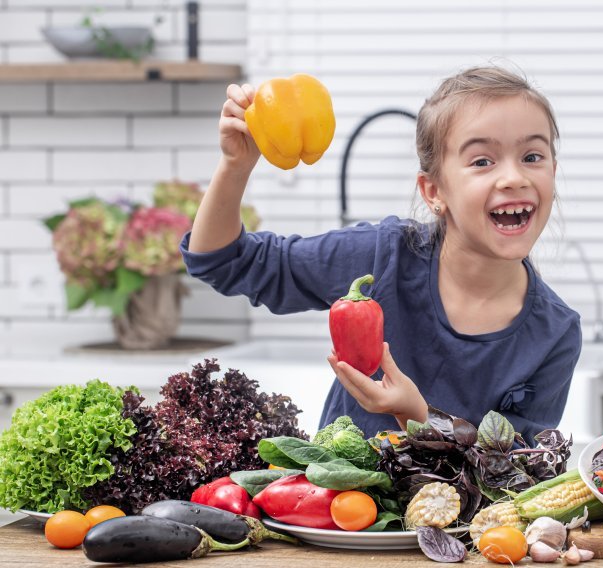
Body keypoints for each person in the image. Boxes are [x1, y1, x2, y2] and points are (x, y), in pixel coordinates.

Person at [180, 65, 581, 446]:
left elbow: (518, 474)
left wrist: (417, 416)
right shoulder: (382, 257)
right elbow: (221, 260)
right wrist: (236, 165)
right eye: (482, 161)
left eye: (532, 156)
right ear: (433, 192)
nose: (514, 177)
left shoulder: (555, 334)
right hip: (337, 514)